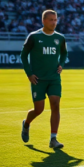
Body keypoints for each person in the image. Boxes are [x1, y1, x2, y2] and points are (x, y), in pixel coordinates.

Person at [20, 10, 68, 149]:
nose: (54, 22)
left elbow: (64, 53)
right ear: (44, 21)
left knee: (55, 104)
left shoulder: (60, 38)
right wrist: (29, 74)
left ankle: (53, 139)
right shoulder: (34, 37)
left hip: (54, 78)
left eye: (55, 20)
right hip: (38, 79)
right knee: (39, 109)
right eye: (51, 20)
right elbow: (23, 56)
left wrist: (61, 64)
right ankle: (26, 123)